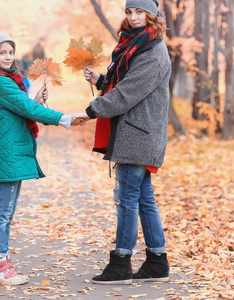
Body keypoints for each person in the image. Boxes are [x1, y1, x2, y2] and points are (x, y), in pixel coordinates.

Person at [74, 0, 171, 285]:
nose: (133, 17)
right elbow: (124, 82)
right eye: (129, 12)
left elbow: (128, 92)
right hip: (137, 131)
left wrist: (91, 111)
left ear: (152, 16)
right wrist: (103, 80)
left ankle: (120, 265)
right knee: (142, 198)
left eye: (139, 11)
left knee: (127, 199)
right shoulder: (135, 46)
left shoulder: (153, 52)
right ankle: (156, 262)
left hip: (139, 134)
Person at [0, 33, 78, 285]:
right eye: (2, 53)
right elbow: (29, 111)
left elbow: (22, 108)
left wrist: (32, 101)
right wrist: (65, 119)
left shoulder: (3, 82)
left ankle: (1, 265)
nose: (8, 57)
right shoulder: (1, 83)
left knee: (6, 212)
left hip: (10, 151)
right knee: (3, 211)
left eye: (10, 52)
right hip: (8, 153)